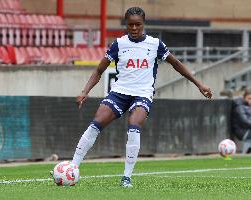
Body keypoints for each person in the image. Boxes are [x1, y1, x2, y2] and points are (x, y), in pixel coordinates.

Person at [71, 7, 212, 188]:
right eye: (131, 25)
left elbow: (176, 64)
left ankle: (126, 177)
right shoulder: (119, 44)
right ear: (126, 25)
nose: (134, 28)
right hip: (119, 92)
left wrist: (199, 84)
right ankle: (73, 167)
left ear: (143, 24)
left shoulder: (155, 44)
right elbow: (99, 70)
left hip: (143, 94)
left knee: (134, 125)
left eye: (138, 24)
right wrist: (85, 91)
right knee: (96, 123)